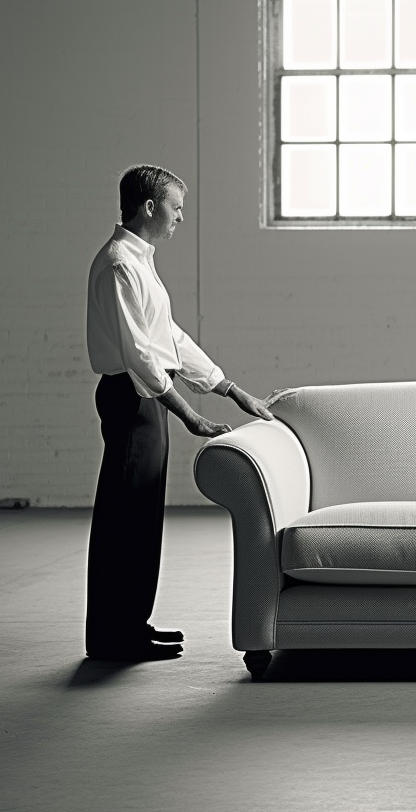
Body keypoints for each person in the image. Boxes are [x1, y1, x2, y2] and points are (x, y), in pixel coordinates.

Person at [84, 164, 274, 661]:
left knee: (142, 514)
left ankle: (131, 625)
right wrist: (190, 415)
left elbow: (171, 339)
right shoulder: (120, 264)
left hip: (147, 400)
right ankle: (111, 636)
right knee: (124, 517)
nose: (180, 218)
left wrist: (229, 389)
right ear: (150, 207)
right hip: (133, 398)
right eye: (175, 207)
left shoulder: (140, 262)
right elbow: (141, 358)